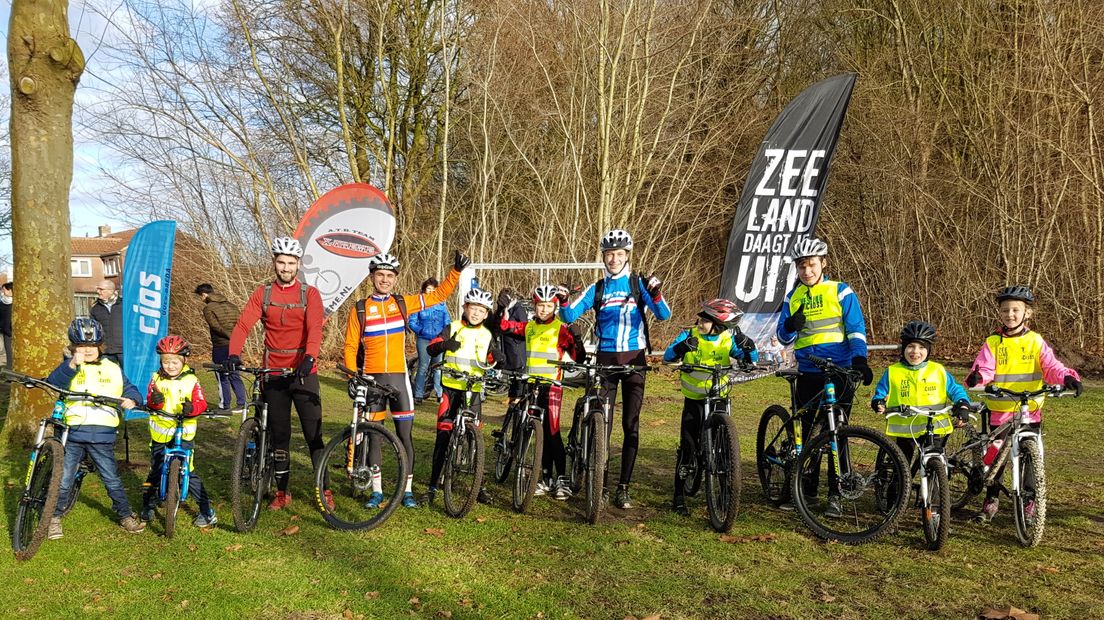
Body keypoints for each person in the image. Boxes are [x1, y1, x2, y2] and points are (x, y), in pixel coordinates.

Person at [342, 249, 471, 508]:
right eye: (380, 275)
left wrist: (455, 272)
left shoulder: (402, 303)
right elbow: (350, 346)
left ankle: (407, 490)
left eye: (389, 275)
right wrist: (352, 375)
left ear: (395, 278)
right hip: (372, 381)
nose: (385, 280)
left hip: (400, 379)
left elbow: (438, 296)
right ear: (372, 277)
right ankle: (376, 491)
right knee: (374, 436)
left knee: (405, 436)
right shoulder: (360, 310)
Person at [559, 229, 671, 509]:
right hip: (606, 360)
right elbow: (569, 315)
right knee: (603, 426)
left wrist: (656, 295)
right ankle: (603, 486)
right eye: (609, 254)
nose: (614, 259)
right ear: (604, 257)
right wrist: (562, 300)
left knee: (630, 426)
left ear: (627, 256)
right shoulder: (597, 288)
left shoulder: (637, 284)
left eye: (619, 254)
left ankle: (624, 487)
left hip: (634, 360)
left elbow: (664, 315)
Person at [964, 285, 1082, 522]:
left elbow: (1050, 367)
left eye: (1016, 310)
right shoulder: (994, 342)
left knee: (1031, 457)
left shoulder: (1035, 341)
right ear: (1000, 313)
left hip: (1030, 411)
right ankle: (991, 499)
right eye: (1005, 310)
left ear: (1027, 313)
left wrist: (1067, 377)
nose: (1010, 314)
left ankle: (1029, 502)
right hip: (1001, 409)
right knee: (995, 456)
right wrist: (979, 377)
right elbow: (986, 367)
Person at [226, 237, 326, 511]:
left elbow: (315, 329)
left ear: (298, 265)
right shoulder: (264, 293)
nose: (285, 267)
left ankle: (323, 488)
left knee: (312, 434)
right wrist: (234, 353)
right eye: (281, 262)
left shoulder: (309, 294)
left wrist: (309, 357)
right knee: (279, 435)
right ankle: (282, 492)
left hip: (304, 372)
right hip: (273, 373)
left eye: (291, 263)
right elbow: (244, 323)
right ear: (274, 263)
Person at [775, 237, 872, 517]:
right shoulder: (792, 297)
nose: (807, 271)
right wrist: (792, 325)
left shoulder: (840, 291)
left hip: (839, 370)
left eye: (812, 265)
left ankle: (836, 493)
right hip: (808, 371)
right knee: (805, 434)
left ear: (823, 264)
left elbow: (855, 328)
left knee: (837, 434)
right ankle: (806, 489)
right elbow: (783, 336)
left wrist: (860, 360)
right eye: (802, 266)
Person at [46, 318, 146, 539]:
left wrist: (132, 399)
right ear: (74, 347)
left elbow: (131, 389)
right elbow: (53, 383)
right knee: (63, 479)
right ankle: (54, 517)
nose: (87, 350)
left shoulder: (112, 368)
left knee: (111, 478)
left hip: (102, 434)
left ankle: (125, 515)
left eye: (92, 346)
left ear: (100, 346)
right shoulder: (69, 366)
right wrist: (72, 364)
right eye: (81, 346)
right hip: (73, 433)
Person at [663, 299, 757, 516]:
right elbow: (668, 356)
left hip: (718, 400)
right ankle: (678, 494)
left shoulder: (727, 339)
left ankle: (725, 494)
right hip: (694, 400)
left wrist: (747, 345)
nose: (700, 322)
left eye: (705, 320)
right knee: (687, 447)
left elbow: (751, 359)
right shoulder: (690, 336)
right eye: (700, 318)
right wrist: (681, 348)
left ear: (717, 324)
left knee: (724, 449)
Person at [498, 285, 587, 500]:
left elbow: (579, 358)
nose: (544, 310)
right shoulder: (528, 327)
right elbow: (504, 327)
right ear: (534, 306)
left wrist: (577, 340)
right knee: (537, 432)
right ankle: (546, 478)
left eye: (548, 306)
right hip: (531, 385)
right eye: (540, 306)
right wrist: (500, 309)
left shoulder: (560, 328)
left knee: (553, 432)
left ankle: (562, 479)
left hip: (552, 387)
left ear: (555, 307)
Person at [870, 321, 970, 494]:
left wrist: (962, 404)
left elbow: (955, 389)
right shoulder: (893, 371)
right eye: (911, 346)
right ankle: (895, 497)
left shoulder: (938, 370)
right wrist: (878, 402)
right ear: (903, 348)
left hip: (936, 426)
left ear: (929, 350)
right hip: (905, 428)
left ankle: (936, 496)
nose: (915, 352)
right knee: (902, 465)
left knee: (936, 463)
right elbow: (880, 392)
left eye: (921, 347)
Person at [422, 289, 501, 506]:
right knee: (443, 437)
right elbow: (430, 348)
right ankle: (432, 486)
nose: (476, 313)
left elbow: (492, 357)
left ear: (486, 314)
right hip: (450, 389)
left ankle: (479, 485)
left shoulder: (487, 335)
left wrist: (500, 358)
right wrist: (444, 345)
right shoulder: (453, 327)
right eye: (473, 308)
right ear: (465, 308)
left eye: (481, 310)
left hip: (473, 390)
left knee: (476, 440)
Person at [140, 335, 217, 528]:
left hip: (183, 435)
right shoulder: (156, 378)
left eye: (175, 362)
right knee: (156, 470)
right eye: (166, 362)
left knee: (188, 473)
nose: (170, 366)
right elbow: (151, 399)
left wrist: (192, 408)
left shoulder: (191, 380)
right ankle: (147, 504)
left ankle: (206, 511)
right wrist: (154, 401)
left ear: (183, 361)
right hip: (160, 434)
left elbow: (201, 402)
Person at [195, 283, 246, 411]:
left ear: (204, 294)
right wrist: (235, 338)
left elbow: (215, 326)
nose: (201, 299)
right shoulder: (232, 306)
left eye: (200, 296)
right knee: (235, 373)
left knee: (221, 374)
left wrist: (229, 336)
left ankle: (224, 405)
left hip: (220, 345)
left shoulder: (209, 308)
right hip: (236, 345)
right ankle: (242, 404)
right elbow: (240, 325)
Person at [408, 277, 451, 405]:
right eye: (428, 289)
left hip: (438, 341)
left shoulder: (442, 305)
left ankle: (439, 393)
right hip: (423, 340)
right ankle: (419, 395)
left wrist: (445, 335)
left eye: (433, 289)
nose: (431, 291)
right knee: (423, 367)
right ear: (424, 290)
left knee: (438, 368)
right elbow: (412, 322)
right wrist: (420, 331)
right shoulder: (419, 304)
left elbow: (447, 322)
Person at [491, 287, 529, 405]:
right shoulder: (504, 309)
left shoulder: (518, 308)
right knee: (510, 372)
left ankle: (519, 395)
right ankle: (511, 395)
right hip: (507, 344)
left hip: (517, 343)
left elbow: (524, 325)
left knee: (519, 372)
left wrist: (509, 327)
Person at [90, 280, 124, 366]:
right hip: (105, 351)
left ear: (111, 291)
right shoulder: (95, 308)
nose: (98, 292)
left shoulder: (124, 305)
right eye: (97, 289)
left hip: (124, 350)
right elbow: (93, 328)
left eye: (101, 289)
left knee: (127, 377)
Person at [0, 281, 12, 367]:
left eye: (4, 290)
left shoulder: (17, 303)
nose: (2, 292)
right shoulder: (3, 302)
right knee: (8, 353)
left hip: (11, 332)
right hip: (5, 332)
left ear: (11, 290)